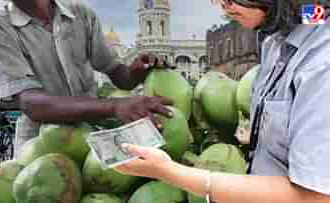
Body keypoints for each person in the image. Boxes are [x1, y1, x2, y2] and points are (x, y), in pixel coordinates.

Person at [115, 0, 330, 202]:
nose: (225, 9)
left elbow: (316, 196)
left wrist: (171, 172)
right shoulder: (277, 38)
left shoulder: (321, 62)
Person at [0, 0, 172, 152]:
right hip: (39, 148)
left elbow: (118, 74)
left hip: (95, 140)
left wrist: (136, 71)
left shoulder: (81, 15)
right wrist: (115, 106)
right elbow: (32, 103)